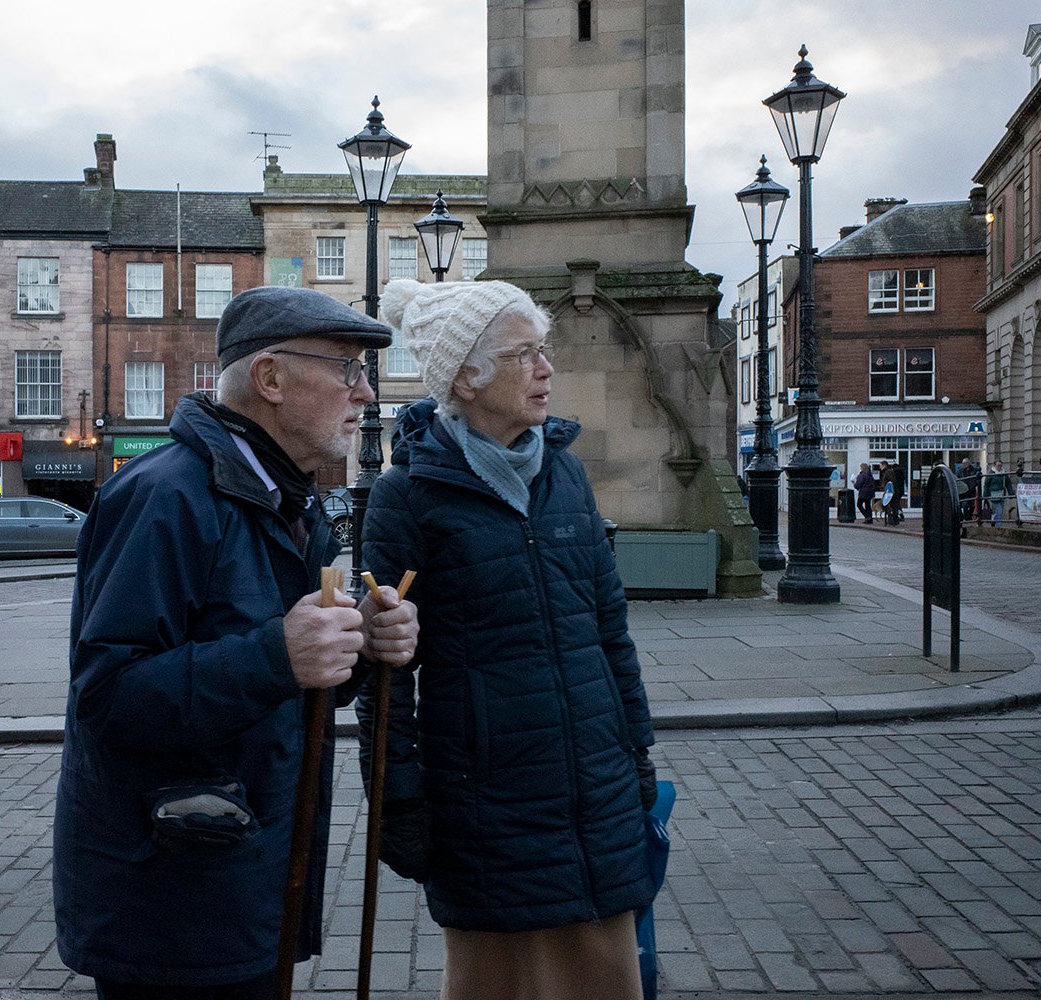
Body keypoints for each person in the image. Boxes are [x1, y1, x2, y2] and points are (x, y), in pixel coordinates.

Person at [55, 286, 420, 999]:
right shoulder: (166, 495)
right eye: (347, 368)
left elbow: (295, 681)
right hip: (170, 905)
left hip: (243, 881)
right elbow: (107, 698)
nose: (367, 393)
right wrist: (278, 653)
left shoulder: (293, 502)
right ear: (271, 378)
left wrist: (359, 647)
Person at [359, 278, 659, 1000]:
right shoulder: (408, 496)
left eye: (542, 350)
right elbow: (384, 670)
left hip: (596, 791)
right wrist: (397, 801)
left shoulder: (566, 474)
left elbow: (609, 628)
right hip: (485, 805)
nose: (546, 368)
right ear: (466, 375)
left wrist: (637, 750)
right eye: (524, 354)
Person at [982, 460, 1010, 526]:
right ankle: (998, 525)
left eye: (1000, 465)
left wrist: (1011, 493)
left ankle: (993, 520)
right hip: (993, 494)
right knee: (999, 509)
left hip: (1002, 493)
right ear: (994, 466)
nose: (999, 467)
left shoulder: (1004, 473)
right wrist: (985, 495)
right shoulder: (991, 474)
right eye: (998, 465)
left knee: (1000, 510)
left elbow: (1008, 483)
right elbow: (986, 485)